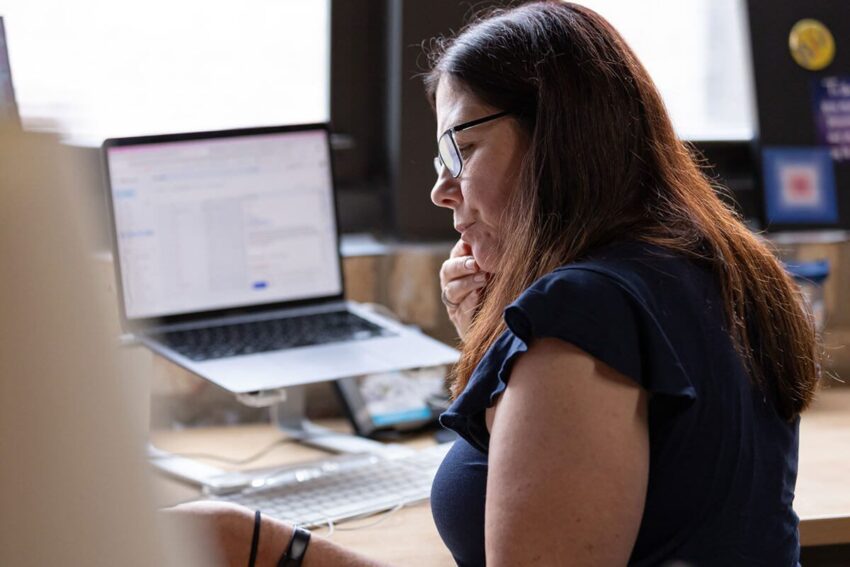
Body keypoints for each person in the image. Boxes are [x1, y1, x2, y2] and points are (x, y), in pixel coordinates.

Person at [175, 2, 820, 565]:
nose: (439, 188)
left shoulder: (585, 313)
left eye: (462, 148)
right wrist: (504, 350)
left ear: (556, 136)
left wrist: (268, 548)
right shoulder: (724, 269)